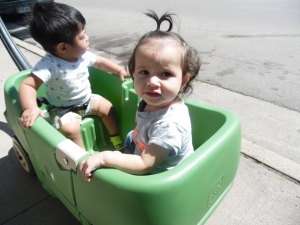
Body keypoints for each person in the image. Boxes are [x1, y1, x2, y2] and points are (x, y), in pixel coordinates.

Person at [80, 10, 201, 179]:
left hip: (157, 176)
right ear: (133, 73)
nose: (152, 82)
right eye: (144, 71)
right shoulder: (155, 101)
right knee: (130, 136)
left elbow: (144, 165)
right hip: (142, 145)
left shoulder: (170, 125)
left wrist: (105, 157)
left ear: (183, 81)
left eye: (165, 74)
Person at [19, 2, 127, 151]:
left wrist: (119, 71)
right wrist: (30, 107)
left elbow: (100, 63)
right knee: (71, 131)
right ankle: (81, 157)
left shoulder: (82, 56)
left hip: (87, 100)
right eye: (82, 37)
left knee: (108, 107)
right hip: (63, 109)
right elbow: (28, 85)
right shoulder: (49, 65)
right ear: (63, 47)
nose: (87, 38)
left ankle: (115, 137)